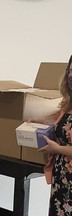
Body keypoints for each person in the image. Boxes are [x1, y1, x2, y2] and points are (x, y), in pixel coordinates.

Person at [30, 55, 72, 216]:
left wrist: (58, 148)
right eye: (70, 70)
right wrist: (43, 121)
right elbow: (61, 122)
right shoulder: (68, 102)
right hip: (62, 178)